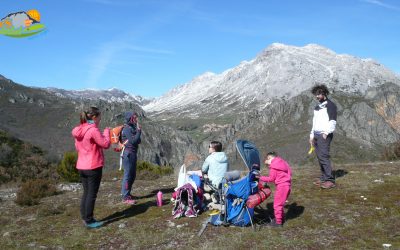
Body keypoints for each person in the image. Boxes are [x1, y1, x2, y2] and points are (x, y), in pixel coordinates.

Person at [72, 107, 110, 229]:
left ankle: (85, 217)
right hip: (93, 166)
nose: (100, 119)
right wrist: (106, 133)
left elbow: (77, 147)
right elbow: (106, 144)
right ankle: (89, 220)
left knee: (86, 192)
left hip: (82, 165)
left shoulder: (79, 129)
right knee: (92, 194)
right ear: (94, 117)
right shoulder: (93, 130)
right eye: (99, 117)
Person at [309, 84, 337, 189]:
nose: (317, 96)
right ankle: (324, 177)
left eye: (319, 94)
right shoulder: (317, 107)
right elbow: (314, 122)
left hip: (323, 134)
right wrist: (311, 135)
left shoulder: (330, 105)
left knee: (324, 156)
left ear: (324, 93)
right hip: (316, 134)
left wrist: (326, 133)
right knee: (319, 157)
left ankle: (330, 180)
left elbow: (333, 120)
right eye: (316, 94)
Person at [258, 152, 292, 227]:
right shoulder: (283, 163)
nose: (268, 165)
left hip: (281, 186)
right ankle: (281, 218)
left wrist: (260, 177)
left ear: (270, 158)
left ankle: (278, 223)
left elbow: (271, 179)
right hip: (287, 185)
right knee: (280, 204)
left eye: (267, 160)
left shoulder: (274, 166)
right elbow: (290, 173)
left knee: (277, 205)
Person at [120, 111, 142, 204]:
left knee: (132, 175)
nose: (136, 119)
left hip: (132, 154)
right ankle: (125, 197)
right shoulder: (127, 129)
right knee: (128, 175)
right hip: (128, 154)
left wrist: (137, 132)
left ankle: (128, 193)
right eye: (135, 118)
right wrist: (139, 131)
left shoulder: (132, 128)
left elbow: (138, 140)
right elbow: (133, 141)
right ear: (131, 118)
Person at [201, 141, 228, 208]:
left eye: (209, 147)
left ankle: (210, 197)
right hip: (224, 183)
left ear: (213, 149)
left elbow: (203, 169)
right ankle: (216, 196)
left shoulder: (210, 158)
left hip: (214, 184)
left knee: (200, 181)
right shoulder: (225, 157)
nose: (208, 148)